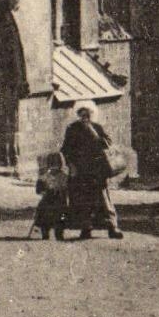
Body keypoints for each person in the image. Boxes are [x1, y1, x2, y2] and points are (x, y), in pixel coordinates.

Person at [60, 101, 124, 240]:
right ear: (78, 115)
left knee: (104, 199)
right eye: (82, 114)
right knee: (82, 199)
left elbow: (107, 144)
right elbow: (66, 149)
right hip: (80, 170)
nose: (85, 117)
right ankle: (86, 228)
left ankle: (112, 227)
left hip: (97, 169)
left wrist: (92, 131)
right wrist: (71, 165)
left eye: (88, 114)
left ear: (92, 115)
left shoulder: (97, 127)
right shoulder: (72, 128)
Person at [32, 151, 71, 241]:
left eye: (57, 164)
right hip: (48, 199)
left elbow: (67, 188)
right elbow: (39, 189)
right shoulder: (45, 176)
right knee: (44, 216)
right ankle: (45, 233)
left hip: (59, 200)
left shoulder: (63, 176)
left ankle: (59, 233)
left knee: (60, 217)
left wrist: (63, 190)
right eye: (52, 164)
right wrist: (43, 191)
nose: (54, 168)